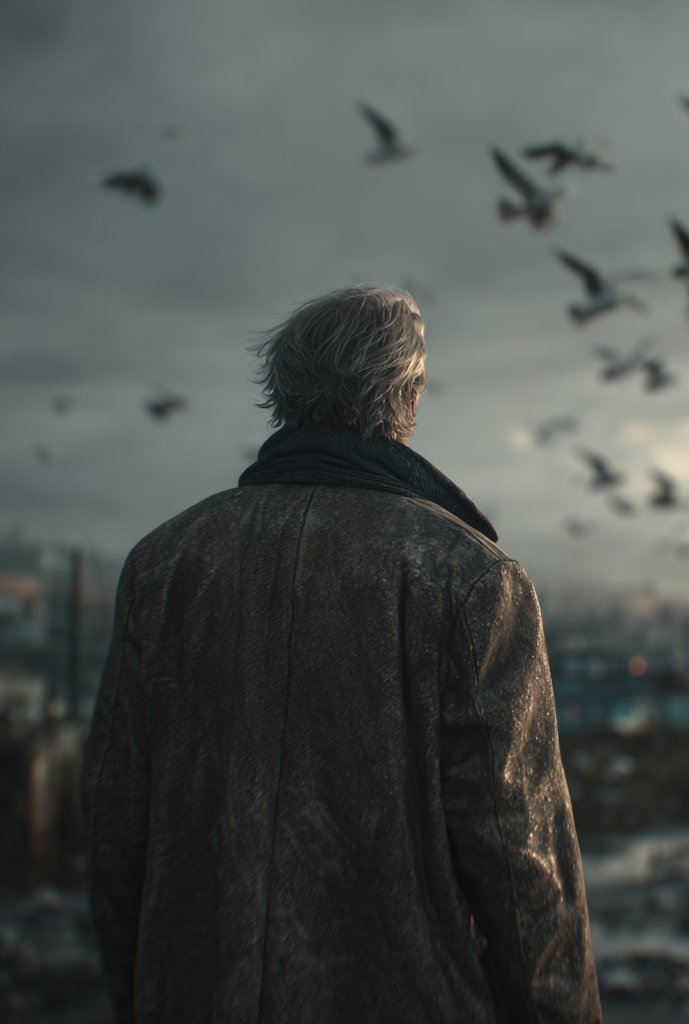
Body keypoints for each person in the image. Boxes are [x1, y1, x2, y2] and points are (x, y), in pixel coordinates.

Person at [82, 284, 602, 1023]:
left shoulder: (167, 563)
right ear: (409, 397)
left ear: (281, 393)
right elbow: (521, 855)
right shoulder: (468, 577)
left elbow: (114, 821)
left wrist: (143, 990)